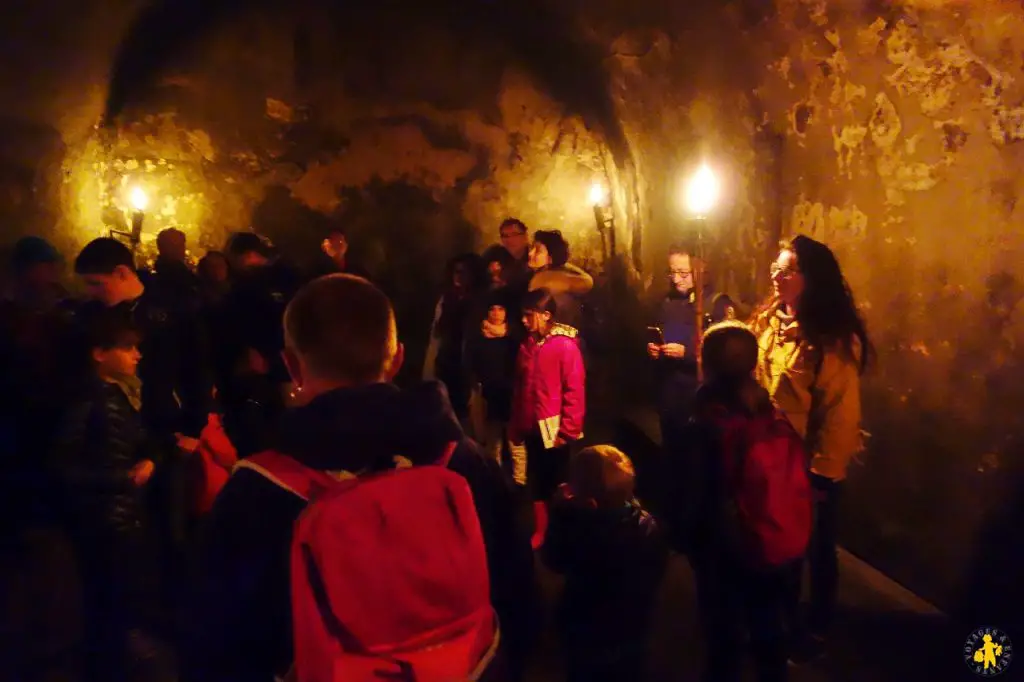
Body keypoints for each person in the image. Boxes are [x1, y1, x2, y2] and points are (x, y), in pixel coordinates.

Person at [183, 274, 535, 682]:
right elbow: (519, 609)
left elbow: (214, 648)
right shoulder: (465, 465)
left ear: (293, 367)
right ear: (398, 358)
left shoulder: (255, 493)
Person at [753, 235, 872, 664]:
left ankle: (816, 626)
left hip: (808, 465)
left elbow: (840, 412)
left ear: (810, 279)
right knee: (780, 544)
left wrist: (822, 473)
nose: (776, 275)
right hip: (771, 459)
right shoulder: (769, 322)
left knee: (817, 545)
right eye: (776, 266)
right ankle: (782, 619)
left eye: (787, 270)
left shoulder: (831, 339)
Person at [671, 321, 810, 682]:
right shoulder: (769, 407)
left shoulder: (706, 420)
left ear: (710, 363)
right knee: (768, 624)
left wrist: (685, 539)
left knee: (723, 634)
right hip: (774, 537)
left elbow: (695, 491)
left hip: (726, 545)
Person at [51, 308, 173, 682]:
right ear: (99, 353)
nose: (137, 355)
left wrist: (150, 458)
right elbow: (62, 467)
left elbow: (136, 441)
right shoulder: (88, 400)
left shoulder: (122, 396)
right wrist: (123, 479)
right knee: (107, 597)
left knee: (123, 594)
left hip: (123, 515)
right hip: (104, 519)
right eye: (127, 348)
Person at [542, 444, 668, 682]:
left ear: (590, 503)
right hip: (634, 630)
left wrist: (560, 513)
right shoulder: (648, 526)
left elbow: (553, 559)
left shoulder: (581, 533)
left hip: (587, 635)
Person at [509, 287, 586, 549]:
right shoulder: (528, 345)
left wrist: (568, 430)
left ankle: (565, 531)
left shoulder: (564, 347)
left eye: (529, 315)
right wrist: (517, 424)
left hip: (554, 429)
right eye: (523, 315)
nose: (524, 320)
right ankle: (542, 530)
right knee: (538, 482)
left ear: (546, 315)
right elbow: (521, 388)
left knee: (560, 482)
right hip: (533, 426)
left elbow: (574, 389)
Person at [647, 245, 735, 460]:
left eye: (683, 273)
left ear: (700, 269)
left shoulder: (715, 304)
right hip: (669, 397)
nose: (676, 280)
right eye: (672, 272)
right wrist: (654, 349)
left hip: (700, 397)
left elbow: (724, 354)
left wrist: (686, 353)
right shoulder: (666, 302)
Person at [526, 229, 594, 331]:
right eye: (532, 247)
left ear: (550, 258)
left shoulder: (546, 279)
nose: (531, 253)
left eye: (538, 250)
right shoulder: (541, 273)